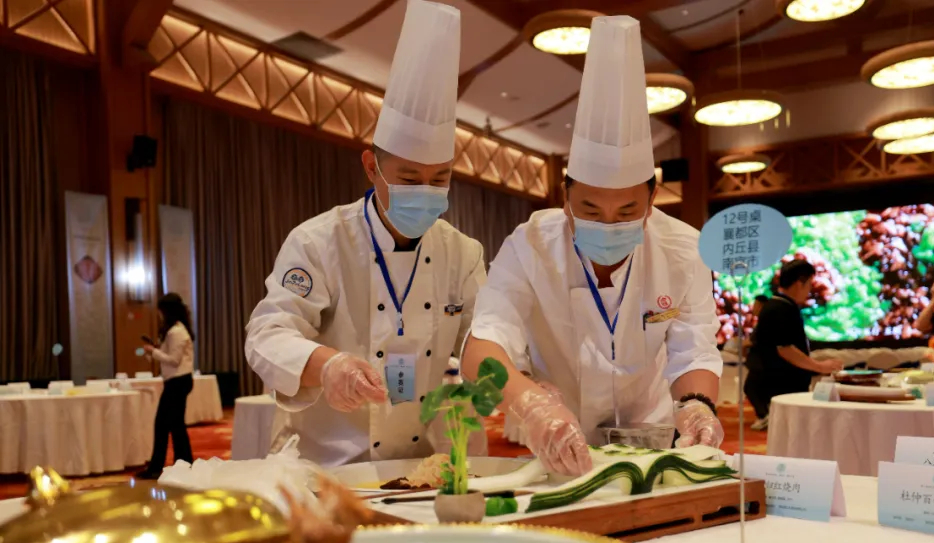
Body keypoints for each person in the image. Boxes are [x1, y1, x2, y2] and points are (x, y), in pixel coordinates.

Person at [461, 16, 725, 476]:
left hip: (651, 434)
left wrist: (697, 406)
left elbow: (694, 350)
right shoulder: (529, 245)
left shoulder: (683, 249)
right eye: (590, 209)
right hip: (555, 438)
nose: (608, 223)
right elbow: (484, 345)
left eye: (626, 212)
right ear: (565, 199)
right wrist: (531, 405)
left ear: (651, 202)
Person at [245, 0, 485, 466]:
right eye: (410, 179)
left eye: (440, 179)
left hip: (423, 462)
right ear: (371, 166)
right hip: (326, 464)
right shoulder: (319, 242)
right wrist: (327, 365)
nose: (426, 193)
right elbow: (267, 333)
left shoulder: (462, 252)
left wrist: (512, 379)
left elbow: (483, 336)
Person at [744, 260, 844, 429]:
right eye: (809, 284)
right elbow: (785, 349)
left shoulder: (778, 305)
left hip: (776, 384)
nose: (810, 290)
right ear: (799, 283)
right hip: (781, 386)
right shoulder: (781, 308)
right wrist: (819, 366)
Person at [138, 293, 195, 479]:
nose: (159, 315)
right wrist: (155, 350)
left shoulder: (176, 332)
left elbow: (174, 360)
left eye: (161, 311)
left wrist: (153, 351)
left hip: (177, 382)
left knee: (163, 425)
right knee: (175, 425)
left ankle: (159, 467)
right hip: (178, 381)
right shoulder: (176, 330)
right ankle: (183, 464)